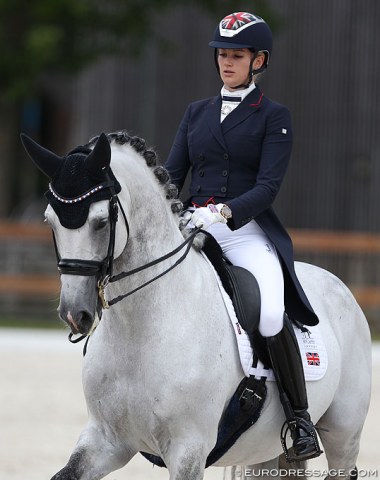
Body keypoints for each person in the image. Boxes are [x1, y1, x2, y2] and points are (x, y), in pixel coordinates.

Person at [164, 11, 322, 461]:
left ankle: (299, 419)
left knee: (271, 316)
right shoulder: (196, 113)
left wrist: (225, 211)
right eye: (222, 55)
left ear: (259, 61)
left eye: (236, 55)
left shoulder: (274, 117)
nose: (226, 63)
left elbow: (269, 187)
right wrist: (175, 212)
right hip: (193, 226)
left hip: (244, 231)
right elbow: (173, 176)